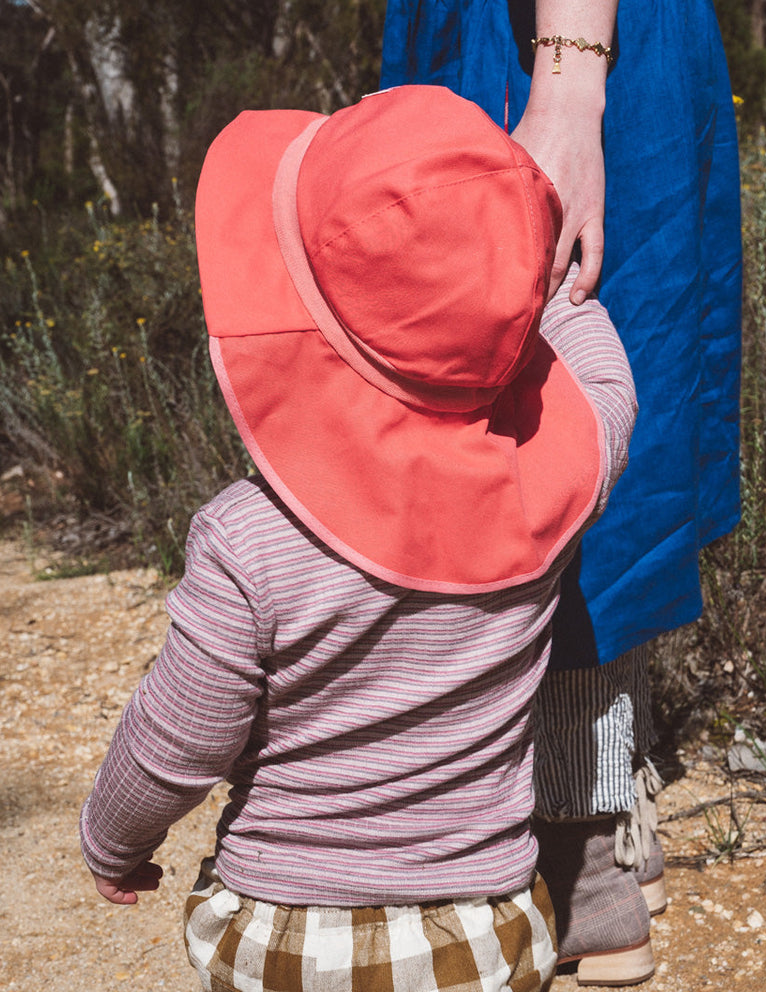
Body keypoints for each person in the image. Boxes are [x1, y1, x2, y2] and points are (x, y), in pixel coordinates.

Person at [78, 84, 638, 992]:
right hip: (484, 936)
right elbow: (605, 385)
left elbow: (174, 744)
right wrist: (535, 285)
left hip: (287, 940)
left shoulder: (246, 541)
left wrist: (113, 842)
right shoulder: (553, 486)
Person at [381, 0, 743, 984]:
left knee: (538, 434)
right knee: (537, 419)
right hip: (532, 24)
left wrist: (565, 91)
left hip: (549, 44)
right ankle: (562, 807)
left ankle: (577, 837)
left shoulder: (560, 69)